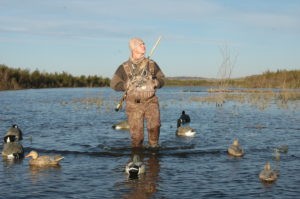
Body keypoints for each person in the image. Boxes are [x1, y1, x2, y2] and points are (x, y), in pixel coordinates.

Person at [110, 37, 165, 148]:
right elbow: (114, 84)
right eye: (141, 44)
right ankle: (136, 158)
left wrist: (156, 83)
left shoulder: (152, 64)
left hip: (151, 102)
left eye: (144, 44)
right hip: (133, 104)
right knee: (137, 138)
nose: (144, 46)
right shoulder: (123, 67)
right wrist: (125, 86)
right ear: (133, 48)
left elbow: (162, 79)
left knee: (155, 128)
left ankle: (154, 158)